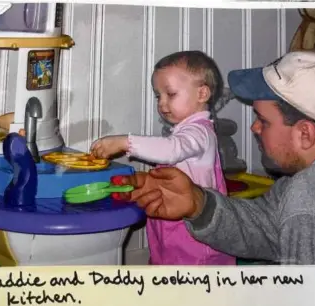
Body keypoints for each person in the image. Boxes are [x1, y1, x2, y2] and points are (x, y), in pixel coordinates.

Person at [112, 51, 315, 265]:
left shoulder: (314, 207)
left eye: (263, 120)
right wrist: (198, 204)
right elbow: (268, 227)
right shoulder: (310, 180)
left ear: (305, 134)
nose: (254, 129)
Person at [91, 50, 235, 265]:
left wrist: (124, 142)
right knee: (165, 260)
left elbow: (172, 150)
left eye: (171, 94)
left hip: (195, 230)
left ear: (202, 94)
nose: (161, 103)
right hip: (175, 219)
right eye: (158, 96)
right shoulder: (186, 130)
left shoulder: (200, 132)